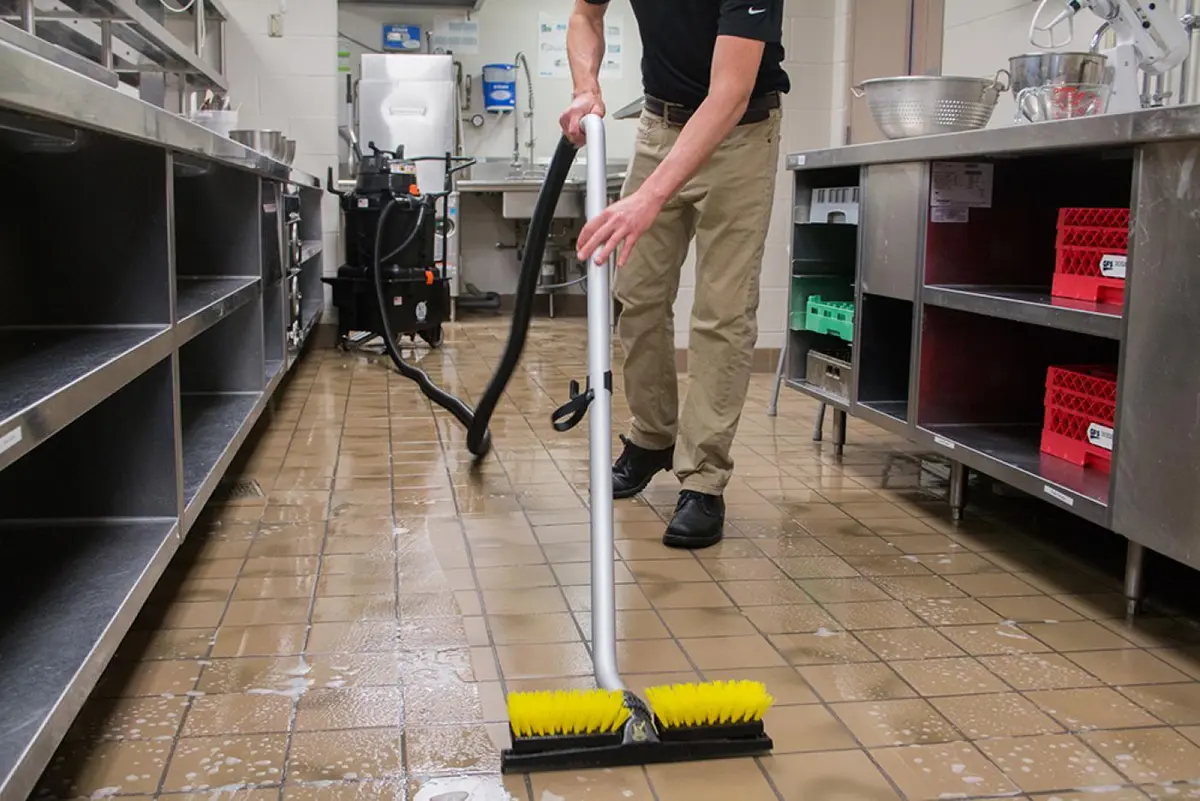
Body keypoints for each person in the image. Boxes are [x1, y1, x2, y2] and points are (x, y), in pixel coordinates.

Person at [564, 0, 788, 549]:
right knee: (635, 292)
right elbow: (584, 15)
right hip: (659, 124)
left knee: (722, 310)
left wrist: (649, 198)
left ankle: (704, 481)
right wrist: (585, 86)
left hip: (740, 133)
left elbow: (730, 93)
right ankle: (651, 438)